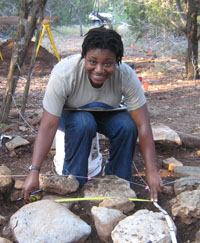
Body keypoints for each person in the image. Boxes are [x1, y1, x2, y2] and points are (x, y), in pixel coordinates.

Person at [22, 26, 163, 201]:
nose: (99, 70)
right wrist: (34, 171)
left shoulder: (126, 75)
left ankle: (117, 184)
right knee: (84, 122)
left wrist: (152, 171)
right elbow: (48, 126)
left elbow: (143, 125)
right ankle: (74, 184)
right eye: (93, 61)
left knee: (127, 126)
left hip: (105, 112)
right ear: (84, 57)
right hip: (70, 116)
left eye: (108, 63)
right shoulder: (64, 74)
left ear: (117, 62)